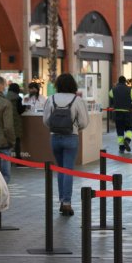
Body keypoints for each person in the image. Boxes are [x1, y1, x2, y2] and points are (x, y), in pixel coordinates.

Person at [43, 73, 89, 216]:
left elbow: (45, 120)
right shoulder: (77, 100)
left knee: (60, 169)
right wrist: (75, 128)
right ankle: (67, 203)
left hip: (55, 137)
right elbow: (84, 122)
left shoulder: (51, 99)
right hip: (71, 137)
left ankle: (62, 199)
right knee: (68, 169)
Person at [109, 76, 132, 153]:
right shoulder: (130, 90)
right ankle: (127, 140)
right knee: (129, 128)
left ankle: (121, 148)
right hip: (127, 113)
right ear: (125, 82)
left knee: (120, 131)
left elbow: (110, 97)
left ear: (118, 81)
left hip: (117, 113)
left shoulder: (113, 90)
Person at [6, 83, 26, 163]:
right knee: (17, 141)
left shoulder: (5, 97)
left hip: (7, 121)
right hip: (16, 121)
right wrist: (25, 106)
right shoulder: (18, 98)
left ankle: (8, 160)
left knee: (8, 142)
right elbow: (20, 110)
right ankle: (18, 160)